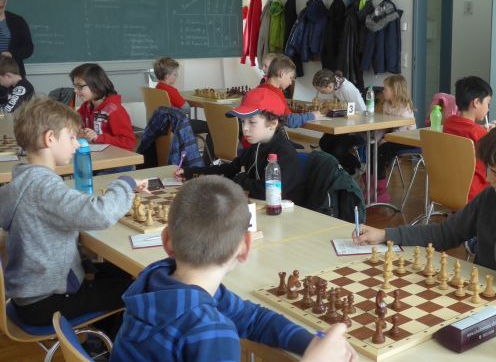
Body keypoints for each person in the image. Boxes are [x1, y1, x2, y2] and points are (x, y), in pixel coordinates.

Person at [110, 176, 357, 362]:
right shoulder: (211, 330)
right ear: (245, 247)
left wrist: (311, 343)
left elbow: (254, 319)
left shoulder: (157, 282)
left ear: (166, 241)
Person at [353, 118, 496, 288]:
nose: (488, 179)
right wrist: (385, 235)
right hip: (487, 293)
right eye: (489, 170)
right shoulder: (495, 195)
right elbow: (446, 233)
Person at [0, 98, 147, 328]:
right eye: (71, 137)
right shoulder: (44, 188)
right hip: (48, 302)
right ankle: (103, 344)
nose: (77, 144)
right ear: (50, 138)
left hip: (28, 296)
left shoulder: (19, 183)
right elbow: (101, 214)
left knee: (117, 272)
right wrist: (125, 183)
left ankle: (100, 337)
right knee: (138, 290)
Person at [176, 88, 304, 203]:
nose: (245, 128)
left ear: (273, 123)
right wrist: (191, 172)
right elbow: (229, 170)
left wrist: (240, 179)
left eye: (252, 122)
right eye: (243, 122)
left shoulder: (285, 153)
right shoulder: (255, 147)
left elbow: (268, 192)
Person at [444, 76, 492, 201]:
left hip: (449, 187)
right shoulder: (479, 133)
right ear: (476, 102)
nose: (488, 108)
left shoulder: (448, 123)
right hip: (475, 192)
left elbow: (465, 129)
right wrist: (489, 136)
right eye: (488, 103)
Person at [72, 63, 137, 151]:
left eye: (79, 86)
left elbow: (129, 142)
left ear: (96, 85)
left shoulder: (114, 110)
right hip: (98, 155)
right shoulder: (86, 106)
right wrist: (79, 131)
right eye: (75, 86)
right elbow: (75, 123)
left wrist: (99, 138)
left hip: (116, 158)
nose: (75, 90)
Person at [313, 69, 366, 174]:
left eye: (322, 91)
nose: (322, 93)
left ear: (330, 86)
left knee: (338, 149)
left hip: (357, 130)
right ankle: (341, 168)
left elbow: (362, 111)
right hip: (344, 127)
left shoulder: (347, 89)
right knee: (324, 143)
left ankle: (352, 168)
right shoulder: (336, 86)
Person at [375, 75, 416, 203]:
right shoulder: (387, 105)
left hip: (407, 139)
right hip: (393, 137)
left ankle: (381, 190)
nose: (383, 91)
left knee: (381, 152)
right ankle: (372, 184)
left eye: (385, 89)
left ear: (394, 91)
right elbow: (384, 126)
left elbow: (403, 131)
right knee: (374, 147)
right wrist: (377, 139)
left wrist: (386, 139)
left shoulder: (405, 108)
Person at [257, 54, 320, 127]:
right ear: (282, 73)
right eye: (290, 78)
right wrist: (312, 116)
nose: (290, 83)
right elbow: (290, 121)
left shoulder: (259, 88)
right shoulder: (276, 94)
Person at [0, 0, 34, 78]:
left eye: (1, 7)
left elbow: (28, 48)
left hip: (13, 73)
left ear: (5, 2)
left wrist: (11, 54)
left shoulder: (17, 21)